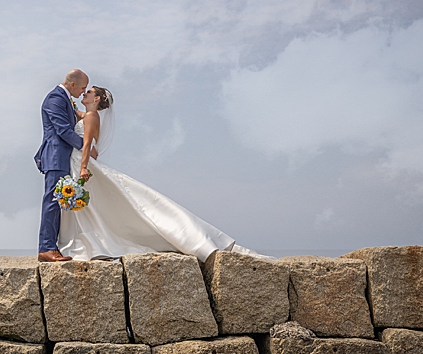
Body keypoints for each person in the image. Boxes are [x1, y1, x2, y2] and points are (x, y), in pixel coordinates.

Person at [57, 85, 263, 261]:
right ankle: (91, 238)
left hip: (81, 163)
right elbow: (86, 132)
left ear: (97, 98)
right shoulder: (88, 115)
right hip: (77, 162)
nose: (84, 93)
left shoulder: (92, 116)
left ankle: (94, 241)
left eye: (89, 91)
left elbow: (87, 146)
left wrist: (84, 167)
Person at [35, 69, 97, 262]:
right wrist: (86, 147)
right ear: (72, 85)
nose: (82, 92)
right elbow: (62, 130)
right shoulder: (55, 98)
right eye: (82, 88)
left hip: (62, 157)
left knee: (57, 202)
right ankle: (46, 248)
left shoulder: (65, 99)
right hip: (55, 156)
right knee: (52, 202)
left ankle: (54, 246)